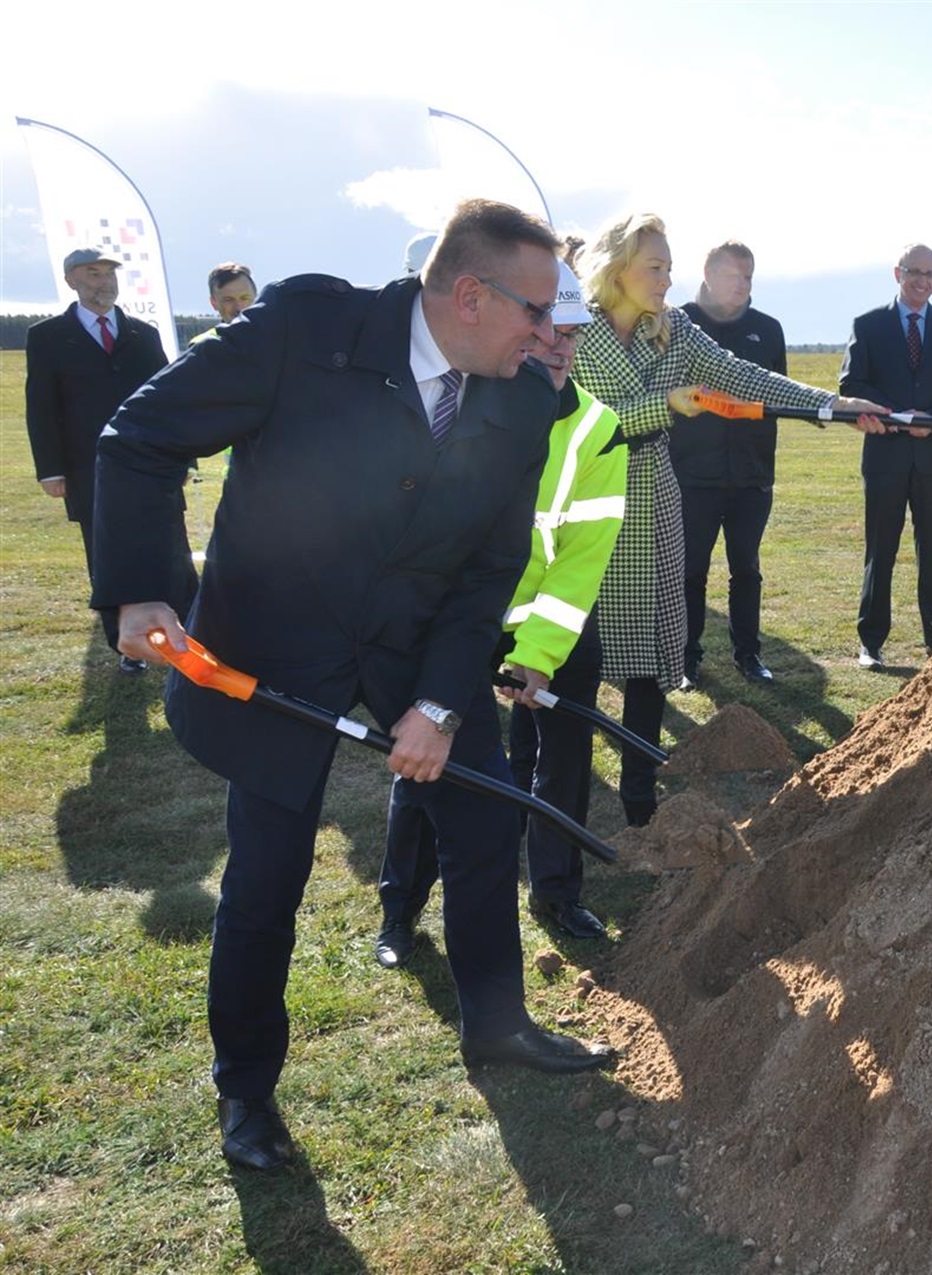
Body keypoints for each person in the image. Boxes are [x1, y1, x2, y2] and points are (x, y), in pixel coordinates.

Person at [92, 198, 615, 1175]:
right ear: (469, 294)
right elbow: (139, 439)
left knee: (483, 819)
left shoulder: (522, 398)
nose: (555, 335)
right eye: (539, 312)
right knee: (267, 875)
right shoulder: (304, 331)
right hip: (272, 645)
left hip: (417, 643)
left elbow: (486, 572)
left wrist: (442, 706)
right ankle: (245, 1089)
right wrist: (140, 591)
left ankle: (497, 1021)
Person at [569, 212, 885, 828]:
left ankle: (639, 800)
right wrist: (659, 406)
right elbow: (575, 426)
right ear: (615, 269)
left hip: (654, 501)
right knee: (572, 660)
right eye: (654, 266)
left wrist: (831, 405)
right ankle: (562, 798)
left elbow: (741, 375)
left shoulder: (674, 330)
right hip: (585, 505)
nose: (667, 278)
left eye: (668, 265)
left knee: (647, 661)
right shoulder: (573, 333)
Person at [375, 256, 628, 958]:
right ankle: (400, 911)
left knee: (563, 763)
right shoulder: (463, 405)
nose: (555, 345)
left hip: (556, 624)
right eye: (543, 326)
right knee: (428, 762)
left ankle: (557, 891)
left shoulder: (597, 428)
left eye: (570, 333)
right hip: (464, 624)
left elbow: (582, 559)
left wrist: (537, 657)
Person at [25, 247, 175, 672]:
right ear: (71, 279)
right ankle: (126, 646)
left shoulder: (142, 334)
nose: (104, 282)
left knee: (167, 550)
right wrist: (51, 469)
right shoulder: (48, 336)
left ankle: (181, 631)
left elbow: (169, 397)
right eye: (93, 274)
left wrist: (182, 459)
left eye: (109, 274)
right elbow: (41, 407)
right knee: (107, 554)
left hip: (149, 466)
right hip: (87, 470)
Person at [840, 243, 932, 668]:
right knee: (880, 547)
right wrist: (899, 417)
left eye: (931, 274)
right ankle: (871, 642)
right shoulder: (868, 325)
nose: (923, 280)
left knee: (931, 547)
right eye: (915, 272)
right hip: (885, 456)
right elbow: (851, 384)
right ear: (897, 273)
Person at [672, 241, 787, 686]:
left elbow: (777, 394)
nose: (743, 285)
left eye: (749, 277)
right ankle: (686, 658)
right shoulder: (679, 324)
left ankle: (749, 654)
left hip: (751, 475)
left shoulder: (768, 329)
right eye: (735, 276)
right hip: (691, 475)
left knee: (747, 568)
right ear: (708, 275)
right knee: (690, 570)